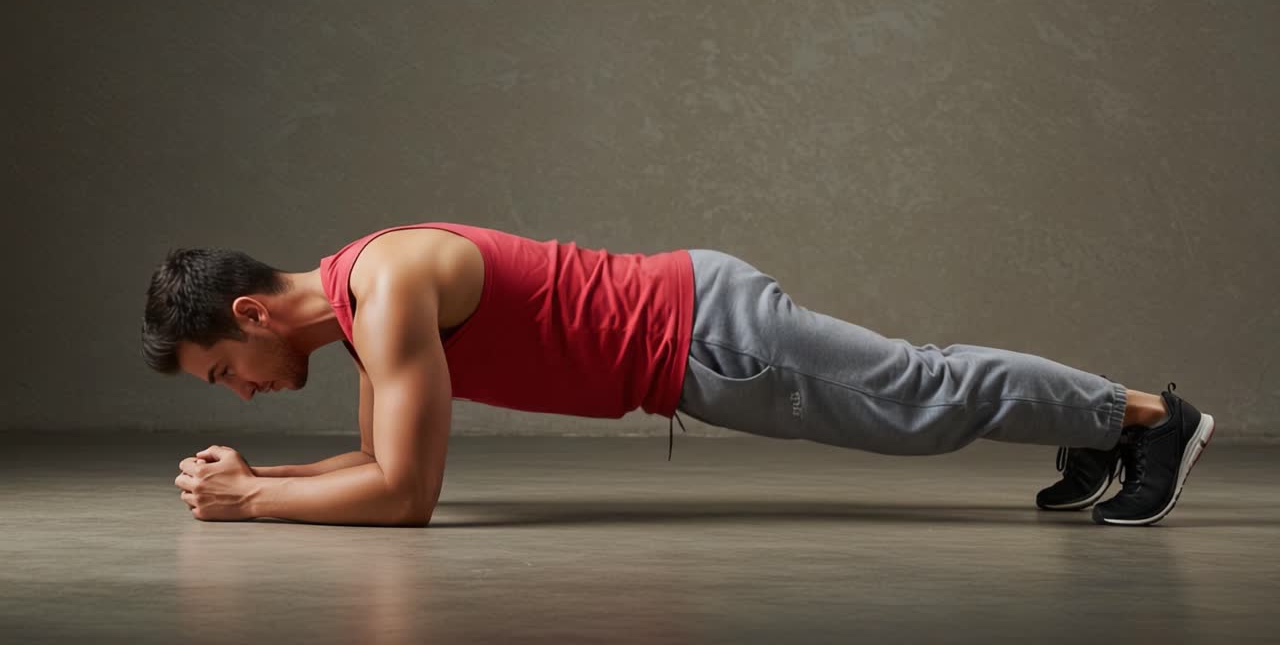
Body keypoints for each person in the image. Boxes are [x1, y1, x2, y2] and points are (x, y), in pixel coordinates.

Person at [143, 221, 1214, 527]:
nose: (238, 391)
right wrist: (264, 480)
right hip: (696, 333)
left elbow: (406, 497)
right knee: (920, 393)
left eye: (224, 371)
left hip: (706, 336)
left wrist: (249, 504)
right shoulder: (363, 305)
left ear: (251, 315)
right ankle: (1095, 427)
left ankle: (1149, 421)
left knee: (919, 399)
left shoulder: (386, 291)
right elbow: (376, 461)